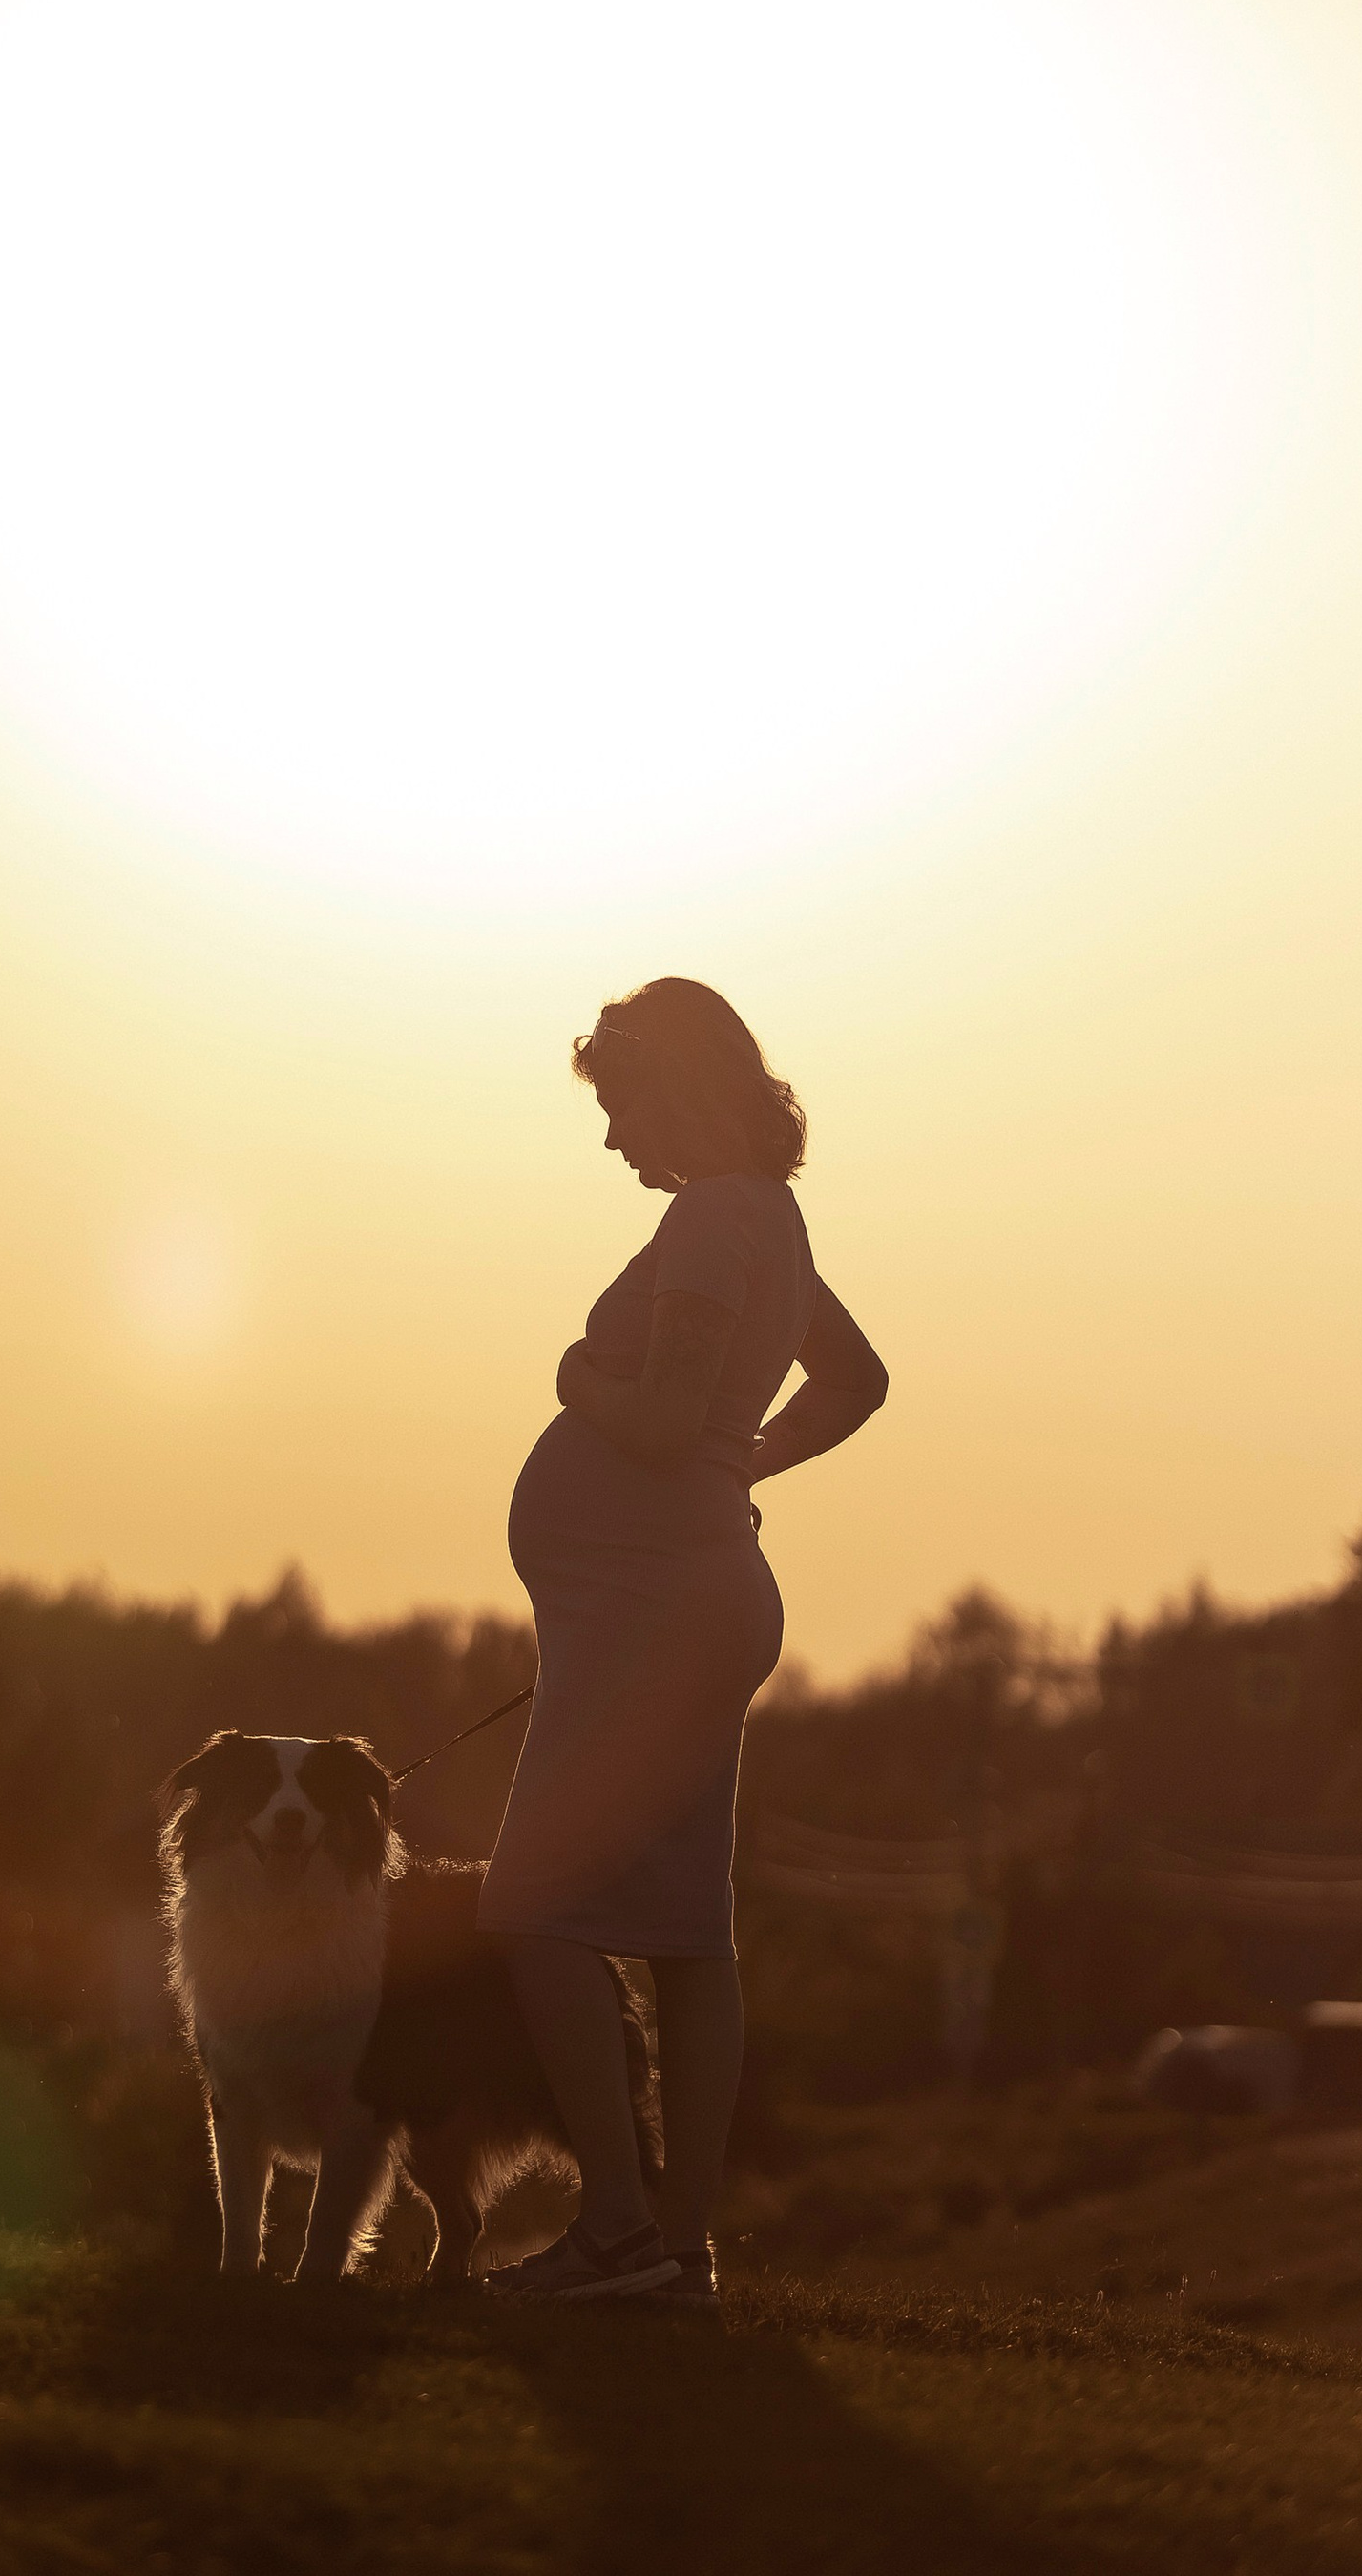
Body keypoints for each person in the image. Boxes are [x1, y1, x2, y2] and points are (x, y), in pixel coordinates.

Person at [478, 975, 887, 2305]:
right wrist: (741, 1462)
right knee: (685, 1936)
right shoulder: (770, 1219)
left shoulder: (715, 1218)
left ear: (678, 1085)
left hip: (655, 1611)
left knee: (531, 1906)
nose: (613, 1137)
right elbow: (857, 1381)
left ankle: (618, 2227)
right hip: (681, 1599)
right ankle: (677, 2249)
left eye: (621, 1103)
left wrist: (573, 1377)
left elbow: (657, 1422)